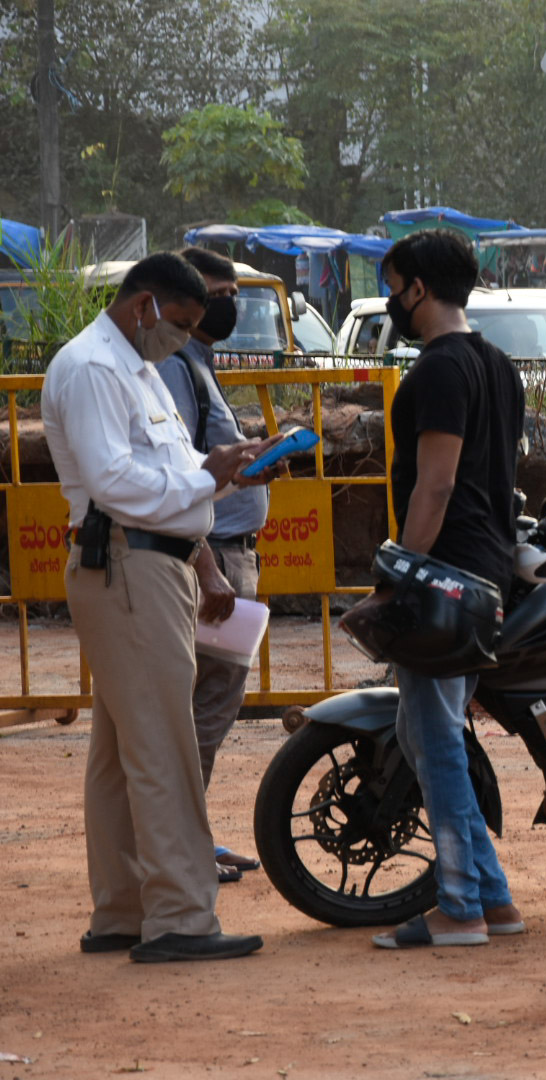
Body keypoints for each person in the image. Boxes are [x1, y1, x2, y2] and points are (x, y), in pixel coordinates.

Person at [42, 252, 269, 962]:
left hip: (147, 563)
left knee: (120, 752)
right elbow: (114, 481)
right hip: (128, 567)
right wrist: (208, 475)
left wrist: (227, 476)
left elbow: (169, 478)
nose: (183, 336)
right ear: (144, 305)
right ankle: (179, 919)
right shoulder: (93, 369)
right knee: (164, 748)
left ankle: (123, 910)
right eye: (179, 322)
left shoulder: (133, 368)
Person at [362, 229, 526, 950]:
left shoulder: (437, 372)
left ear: (418, 289)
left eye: (394, 285)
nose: (391, 300)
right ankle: (493, 900)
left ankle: (459, 907)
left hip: (445, 576)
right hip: (485, 569)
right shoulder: (498, 365)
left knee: (435, 738)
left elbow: (437, 483)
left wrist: (400, 574)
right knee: (432, 737)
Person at [154, 247, 271, 885]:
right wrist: (207, 568)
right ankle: (180, 848)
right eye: (219, 294)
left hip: (228, 555)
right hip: (214, 561)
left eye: (231, 294)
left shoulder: (198, 364)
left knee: (211, 706)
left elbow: (207, 461)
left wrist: (255, 461)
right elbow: (176, 478)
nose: (228, 306)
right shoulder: (176, 368)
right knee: (202, 709)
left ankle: (188, 836)